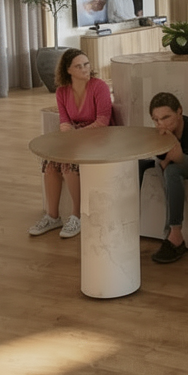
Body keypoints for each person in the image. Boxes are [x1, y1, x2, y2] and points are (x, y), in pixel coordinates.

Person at [29, 49, 113, 239]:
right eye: (78, 66)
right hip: (75, 136)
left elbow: (103, 121)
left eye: (86, 64)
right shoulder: (62, 91)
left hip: (99, 136)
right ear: (68, 70)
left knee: (68, 164)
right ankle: (52, 216)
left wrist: (75, 136)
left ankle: (77, 216)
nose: (85, 69)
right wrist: (69, 137)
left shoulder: (99, 86)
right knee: (51, 163)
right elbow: (65, 122)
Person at [138, 92, 188, 264]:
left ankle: (175, 235)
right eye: (156, 120)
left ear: (179, 112)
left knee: (170, 171)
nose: (161, 123)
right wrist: (165, 158)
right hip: (173, 164)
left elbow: (180, 158)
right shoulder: (159, 133)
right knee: (155, 169)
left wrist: (170, 144)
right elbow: (161, 160)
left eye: (166, 117)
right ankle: (169, 234)